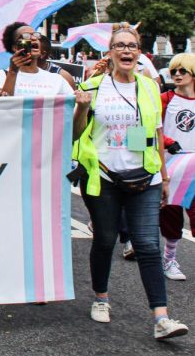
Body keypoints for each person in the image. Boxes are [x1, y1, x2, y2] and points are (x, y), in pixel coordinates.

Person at [72, 23, 187, 340]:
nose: (126, 50)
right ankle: (101, 297)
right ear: (109, 53)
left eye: (132, 45)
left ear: (139, 52)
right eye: (120, 45)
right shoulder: (93, 86)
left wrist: (163, 176)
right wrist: (81, 108)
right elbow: (77, 133)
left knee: (149, 245)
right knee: (106, 240)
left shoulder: (150, 86)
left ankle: (161, 318)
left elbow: (158, 133)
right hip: (104, 177)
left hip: (145, 177)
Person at [158, 53, 195, 281]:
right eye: (174, 71)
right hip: (170, 168)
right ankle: (169, 258)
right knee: (171, 215)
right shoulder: (165, 99)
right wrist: (168, 143)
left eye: (183, 71)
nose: (178, 75)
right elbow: (149, 129)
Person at [0, 23, 74, 98]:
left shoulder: (56, 79)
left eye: (35, 35)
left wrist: (82, 105)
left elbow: (72, 109)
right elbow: (2, 107)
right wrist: (13, 72)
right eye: (26, 36)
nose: (34, 38)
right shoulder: (3, 75)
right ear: (15, 47)